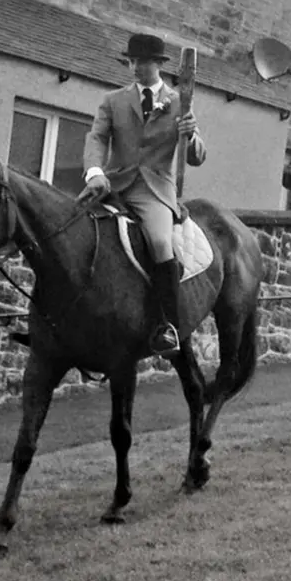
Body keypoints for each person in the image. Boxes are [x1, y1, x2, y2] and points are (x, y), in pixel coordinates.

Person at [78, 33, 207, 357]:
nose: (136, 68)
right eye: (132, 61)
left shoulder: (180, 102)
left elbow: (197, 156)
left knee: (162, 243)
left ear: (158, 65)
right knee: (69, 227)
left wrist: (190, 137)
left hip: (153, 188)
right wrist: (94, 172)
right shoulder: (113, 100)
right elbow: (96, 138)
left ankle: (167, 325)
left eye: (143, 62)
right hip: (112, 184)